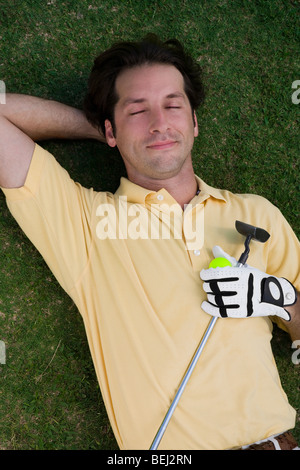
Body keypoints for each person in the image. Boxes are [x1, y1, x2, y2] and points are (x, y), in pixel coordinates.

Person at [0, 34, 299, 451]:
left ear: (194, 121)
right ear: (110, 128)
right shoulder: (84, 222)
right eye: (137, 110)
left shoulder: (256, 215)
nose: (159, 122)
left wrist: (279, 296)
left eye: (173, 106)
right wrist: (103, 130)